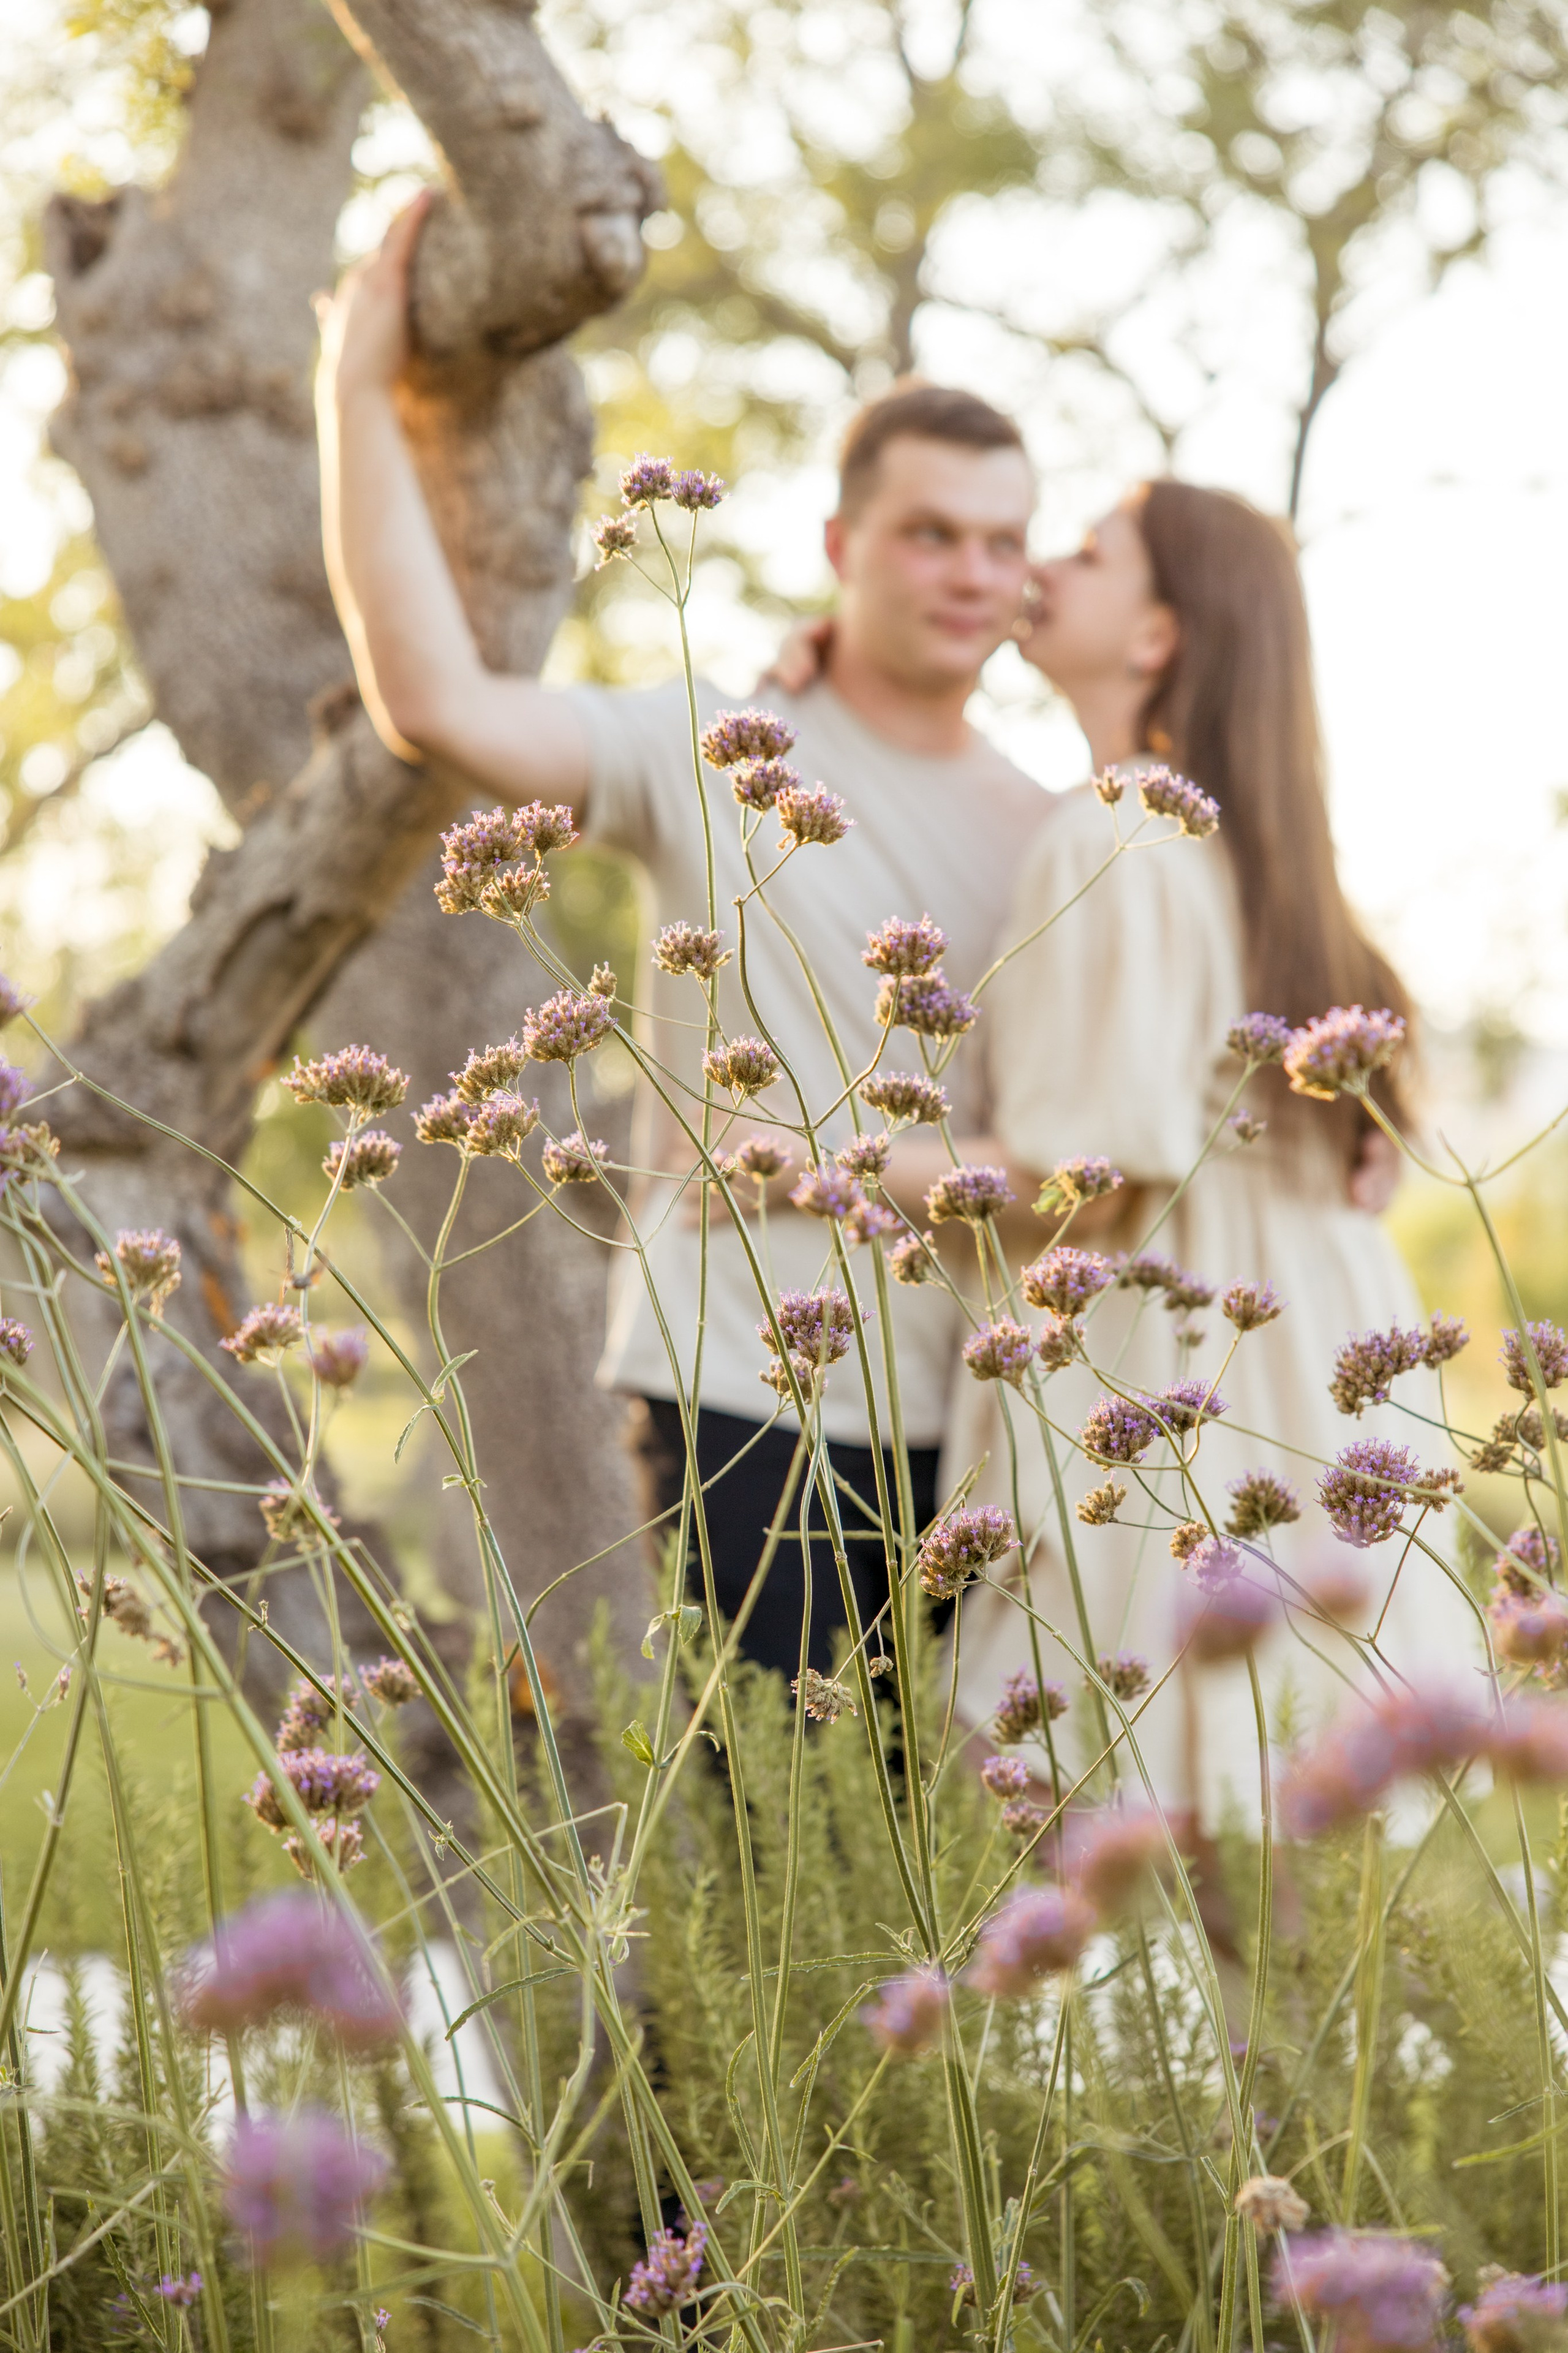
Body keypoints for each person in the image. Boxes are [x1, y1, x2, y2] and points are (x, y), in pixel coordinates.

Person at [314, 200, 1048, 1679]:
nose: (971, 571)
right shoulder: (717, 742)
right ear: (843, 543)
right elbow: (440, 705)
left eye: (1001, 540)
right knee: (770, 1843)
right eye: (929, 534)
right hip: (736, 1393)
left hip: (982, 1421)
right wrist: (351, 389)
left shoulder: (1057, 831)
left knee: (941, 1877)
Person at [772, 480, 1468, 1821]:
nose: (1036, 565)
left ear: (1155, 635)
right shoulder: (1260, 852)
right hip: (1318, 1341)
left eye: (1084, 554)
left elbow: (1069, 1183)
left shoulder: (1116, 836)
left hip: (1181, 1349)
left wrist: (801, 1155)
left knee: (1150, 1776)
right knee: (1294, 1773)